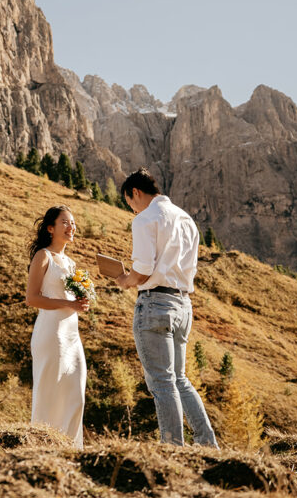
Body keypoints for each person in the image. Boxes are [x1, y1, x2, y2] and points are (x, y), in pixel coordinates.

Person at [114, 169, 218, 447]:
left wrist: (126, 280)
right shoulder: (186, 219)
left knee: (161, 382)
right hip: (183, 304)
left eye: (129, 202)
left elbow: (144, 270)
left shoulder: (145, 218)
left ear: (135, 192)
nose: (132, 209)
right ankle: (207, 443)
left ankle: (173, 447)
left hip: (155, 304)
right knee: (180, 379)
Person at [25, 205, 89, 448]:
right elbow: (31, 298)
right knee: (50, 393)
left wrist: (80, 303)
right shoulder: (43, 256)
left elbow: (69, 300)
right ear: (51, 228)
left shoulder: (71, 262)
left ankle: (72, 451)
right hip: (51, 334)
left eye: (72, 222)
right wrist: (67, 303)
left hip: (72, 335)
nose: (71, 226)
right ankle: (41, 448)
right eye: (65, 222)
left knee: (76, 395)